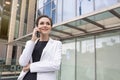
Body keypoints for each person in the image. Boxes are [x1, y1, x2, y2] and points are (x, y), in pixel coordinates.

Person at [17, 15, 62, 80]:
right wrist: (32, 40)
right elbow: (22, 62)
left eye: (48, 23)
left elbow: (56, 65)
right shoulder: (30, 43)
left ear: (50, 27)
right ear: (37, 27)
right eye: (41, 23)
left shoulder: (57, 44)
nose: (45, 25)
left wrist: (31, 66)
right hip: (26, 77)